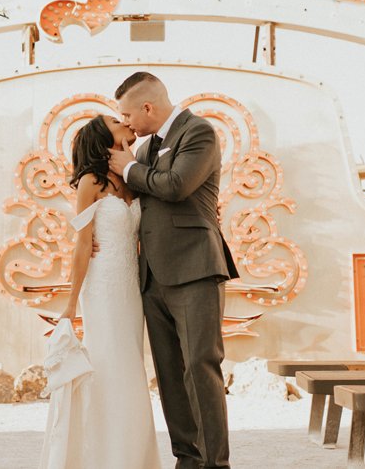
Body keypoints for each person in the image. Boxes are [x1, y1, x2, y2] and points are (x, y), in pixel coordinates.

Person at [108, 72, 239, 469]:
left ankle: (216, 463)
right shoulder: (146, 150)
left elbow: (177, 185)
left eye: (128, 115)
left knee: (201, 366)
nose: (127, 123)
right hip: (153, 277)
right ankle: (188, 459)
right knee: (168, 373)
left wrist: (129, 169)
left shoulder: (198, 132)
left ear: (148, 107)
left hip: (195, 268)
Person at [39, 114, 160, 469]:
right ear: (103, 136)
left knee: (131, 369)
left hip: (131, 291)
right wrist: (70, 304)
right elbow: (82, 245)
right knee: (108, 366)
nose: (125, 122)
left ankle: (131, 456)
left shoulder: (134, 177)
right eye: (115, 121)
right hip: (102, 287)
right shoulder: (91, 182)